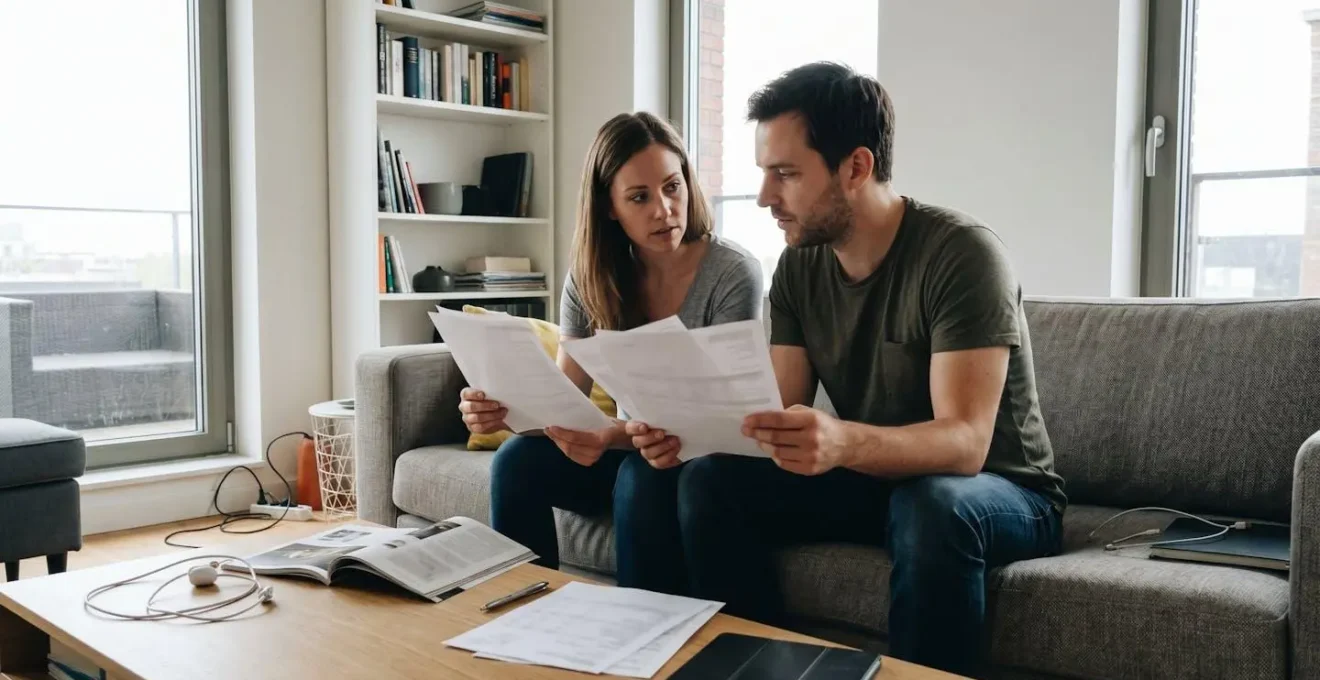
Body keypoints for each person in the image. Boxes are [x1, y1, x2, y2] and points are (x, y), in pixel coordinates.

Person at [627, 63, 1066, 676]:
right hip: (880, 479)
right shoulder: (799, 267)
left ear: (855, 168)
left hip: (1003, 492)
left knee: (932, 504)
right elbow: (772, 411)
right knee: (711, 482)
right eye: (763, 174)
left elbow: (965, 443)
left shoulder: (962, 255)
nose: (764, 198)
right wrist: (687, 431)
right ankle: (757, 668)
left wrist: (841, 439)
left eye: (785, 174)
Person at [460, 111, 763, 596]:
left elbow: (721, 425)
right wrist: (499, 410)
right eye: (639, 197)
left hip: (698, 461)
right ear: (609, 208)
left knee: (644, 475)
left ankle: (637, 639)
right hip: (623, 446)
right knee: (517, 460)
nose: (664, 209)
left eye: (672, 187)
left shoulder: (731, 273)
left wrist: (610, 434)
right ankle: (523, 622)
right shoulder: (590, 276)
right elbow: (566, 401)